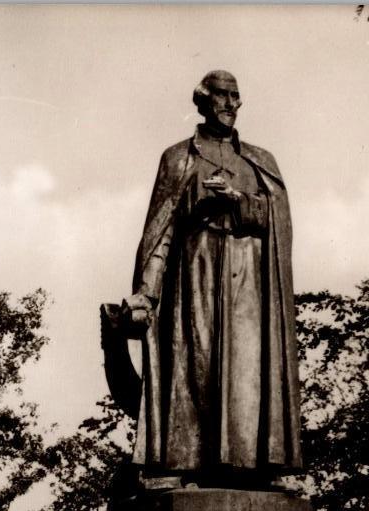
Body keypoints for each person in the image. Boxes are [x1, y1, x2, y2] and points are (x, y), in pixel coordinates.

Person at [123, 70, 302, 482]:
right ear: (202, 100)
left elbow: (278, 221)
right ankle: (180, 464)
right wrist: (147, 293)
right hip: (196, 272)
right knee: (193, 366)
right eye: (222, 95)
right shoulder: (178, 157)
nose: (231, 104)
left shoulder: (259, 161)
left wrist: (238, 200)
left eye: (236, 97)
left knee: (248, 373)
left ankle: (257, 468)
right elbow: (161, 231)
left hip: (249, 281)